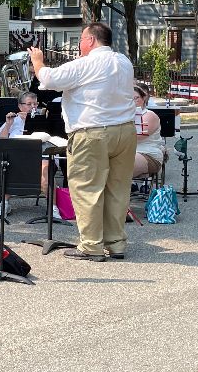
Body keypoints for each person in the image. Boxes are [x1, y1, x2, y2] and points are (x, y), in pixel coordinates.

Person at [28, 22, 137, 262]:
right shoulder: (124, 62)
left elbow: (49, 78)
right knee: (117, 189)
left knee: (87, 188)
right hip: (125, 132)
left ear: (90, 40)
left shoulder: (86, 63)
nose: (78, 45)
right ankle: (116, 243)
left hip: (93, 133)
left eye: (80, 40)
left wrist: (38, 60)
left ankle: (91, 246)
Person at [0, 91, 54, 218]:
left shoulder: (44, 119)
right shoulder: (14, 120)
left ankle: (53, 207)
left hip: (40, 154)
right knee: (8, 166)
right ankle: (4, 204)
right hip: (18, 156)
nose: (33, 107)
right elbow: (1, 142)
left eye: (35, 104)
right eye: (29, 104)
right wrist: (8, 124)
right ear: (20, 106)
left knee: (45, 170)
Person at [133, 85, 165, 178]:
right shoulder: (122, 116)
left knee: (124, 164)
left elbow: (139, 136)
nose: (133, 101)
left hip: (147, 153)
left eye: (136, 98)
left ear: (144, 98)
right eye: (129, 99)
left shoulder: (149, 115)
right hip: (127, 151)